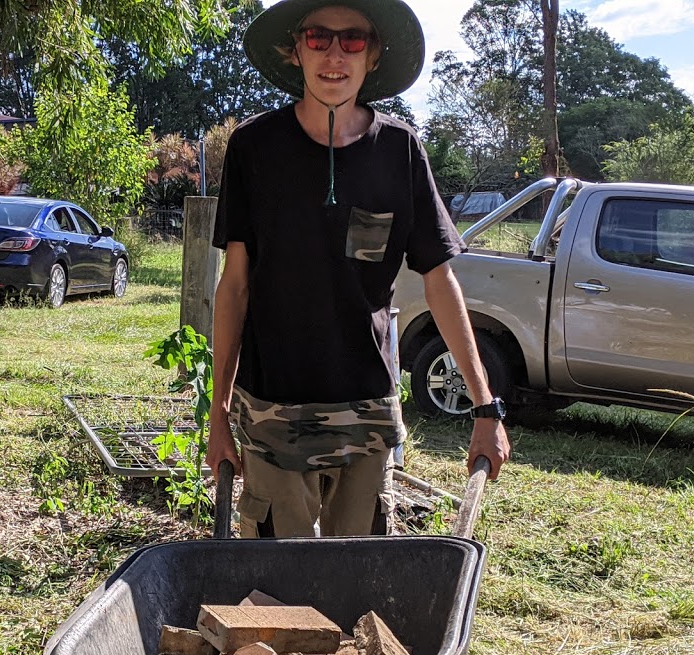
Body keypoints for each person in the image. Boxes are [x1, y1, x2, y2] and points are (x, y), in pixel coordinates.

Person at [206, 0, 510, 538]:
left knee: (359, 585)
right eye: (319, 37)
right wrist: (219, 411)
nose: (334, 55)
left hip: (367, 407)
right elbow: (235, 286)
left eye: (352, 40)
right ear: (295, 48)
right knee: (276, 594)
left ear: (372, 56)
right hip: (272, 406)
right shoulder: (255, 148)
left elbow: (439, 280)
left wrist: (485, 408)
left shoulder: (400, 150)